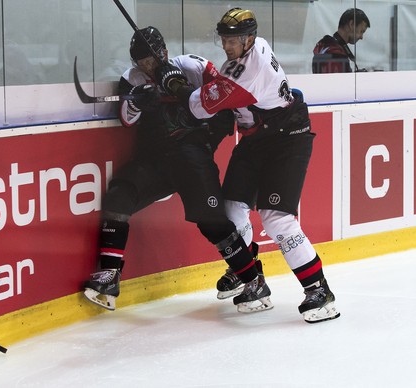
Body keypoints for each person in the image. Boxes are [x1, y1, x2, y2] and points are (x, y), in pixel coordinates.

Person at [155, 8, 340, 323]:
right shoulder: (254, 48)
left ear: (249, 38)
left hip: (287, 139)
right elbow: (221, 87)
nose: (227, 45)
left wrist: (174, 85)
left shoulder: (249, 73)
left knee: (276, 219)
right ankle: (254, 282)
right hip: (259, 139)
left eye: (234, 39)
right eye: (224, 38)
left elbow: (199, 108)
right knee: (231, 208)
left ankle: (319, 291)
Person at [83, 26, 269, 313]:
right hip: (155, 161)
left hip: (191, 156)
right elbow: (126, 119)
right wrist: (137, 104)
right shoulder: (132, 79)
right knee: (119, 195)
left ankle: (253, 281)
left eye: (149, 61)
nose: (145, 67)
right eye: (140, 62)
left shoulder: (192, 66)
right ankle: (110, 276)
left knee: (211, 221)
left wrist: (207, 140)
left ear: (163, 53)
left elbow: (225, 97)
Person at [312, 8, 371, 73]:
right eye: (361, 31)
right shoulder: (336, 55)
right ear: (351, 24)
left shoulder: (325, 46)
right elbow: (337, 82)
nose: (361, 37)